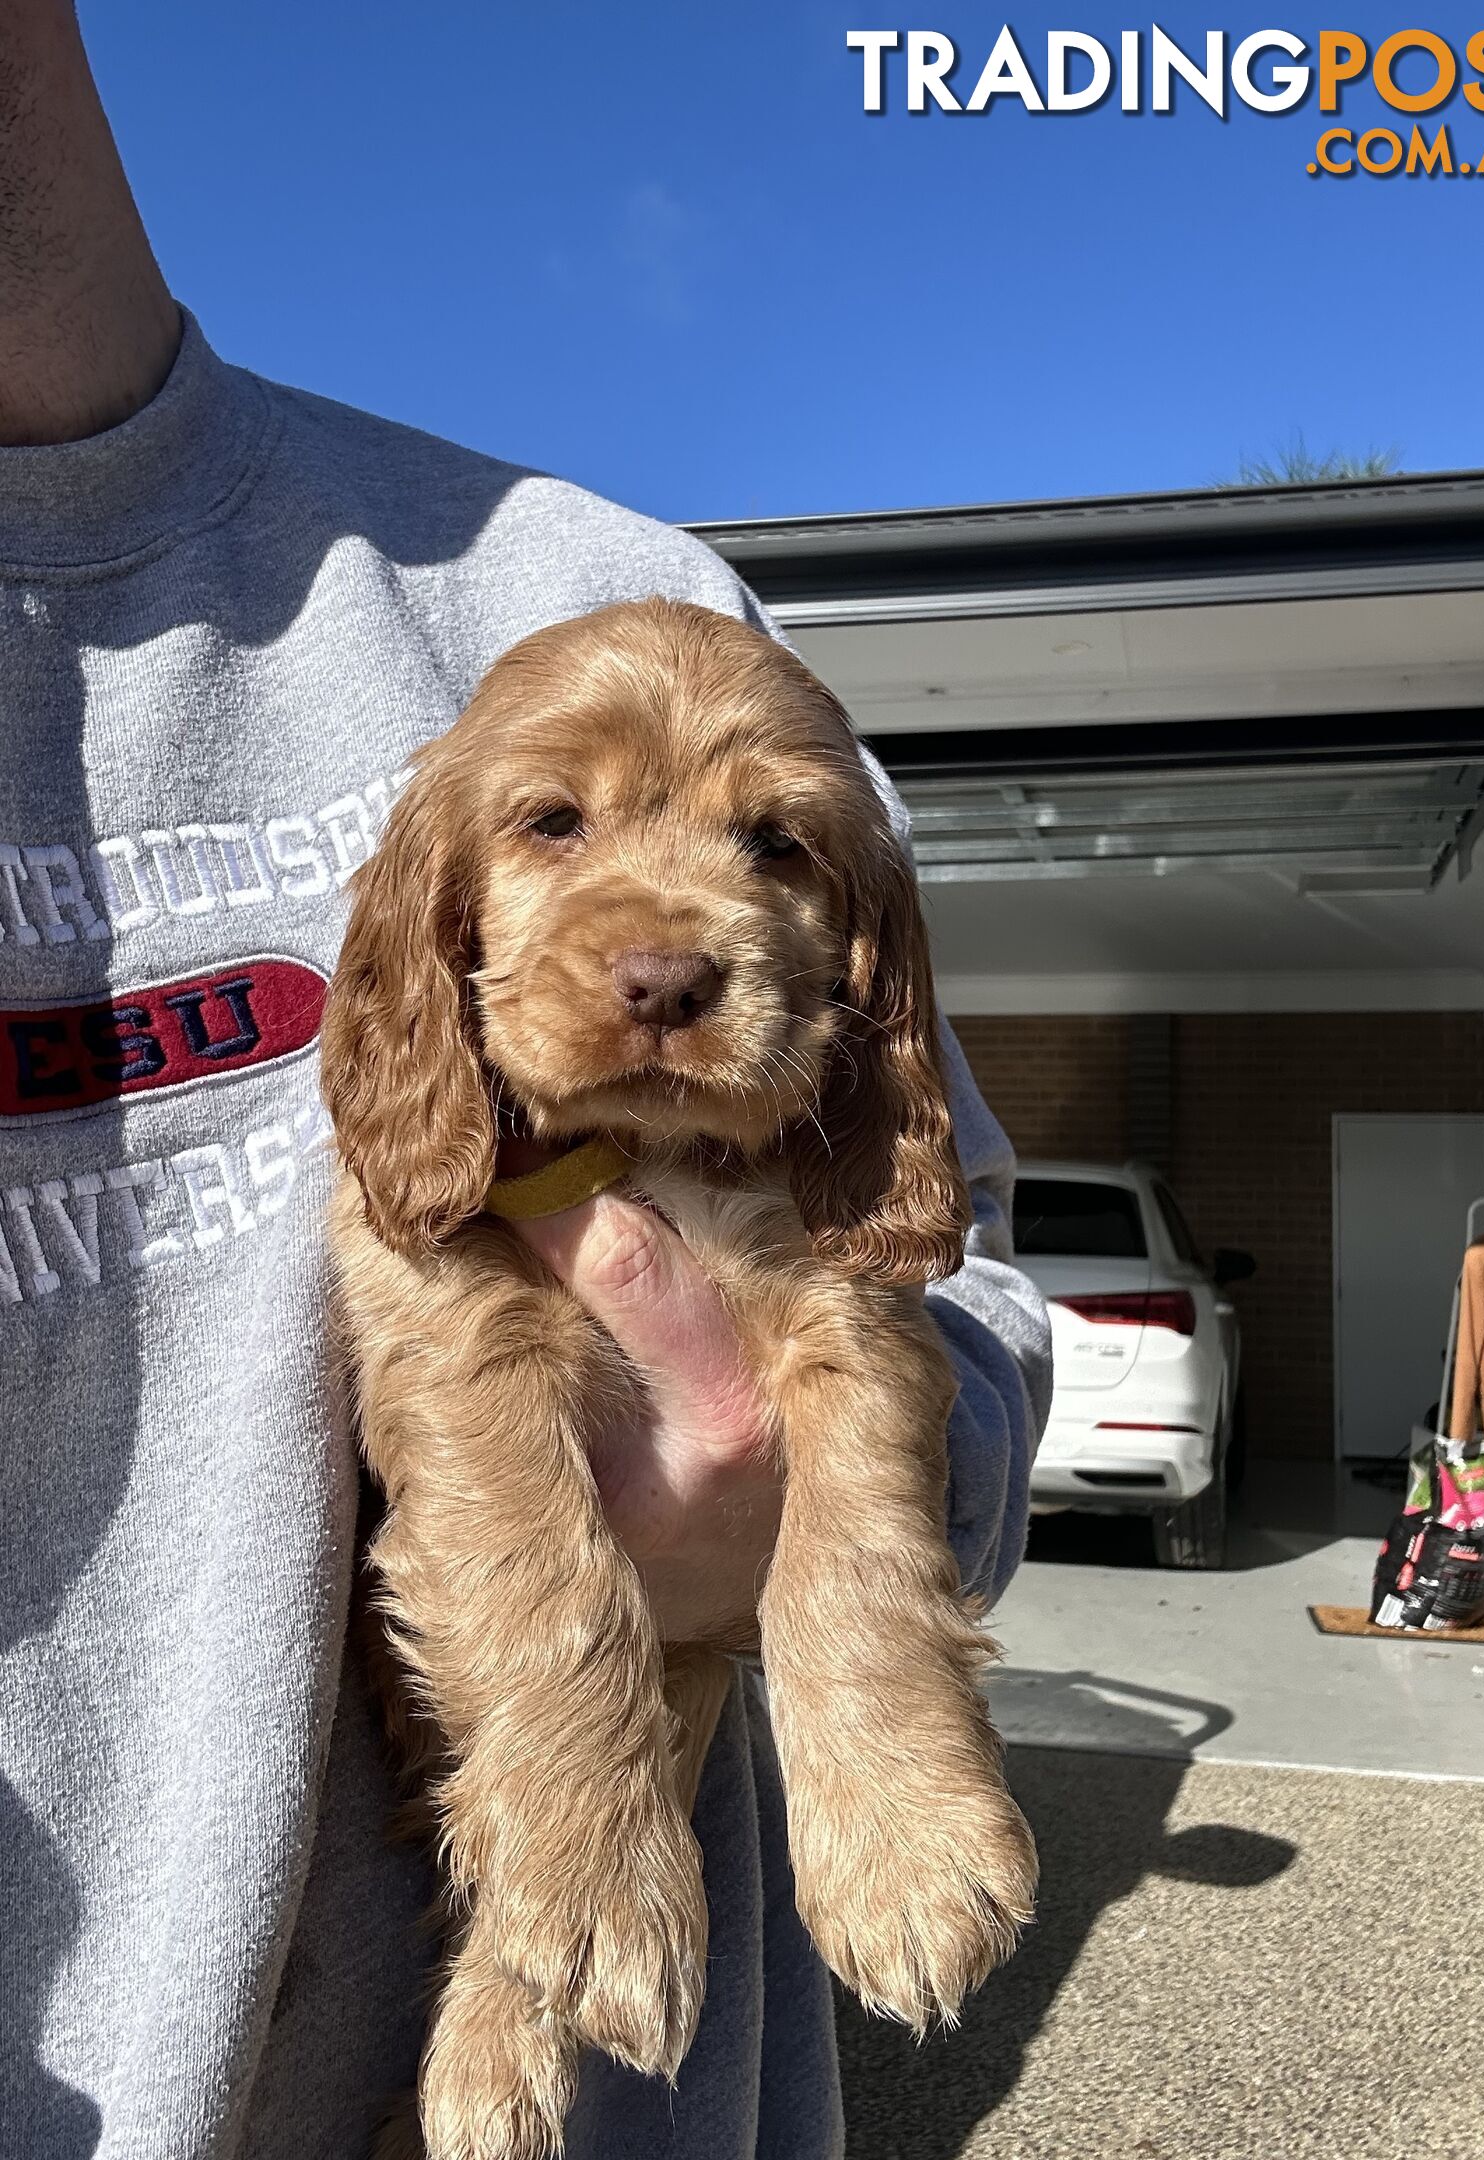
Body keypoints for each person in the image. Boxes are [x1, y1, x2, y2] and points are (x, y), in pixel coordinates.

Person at [0, 6, 1051, 2156]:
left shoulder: (588, 585)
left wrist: (803, 1545)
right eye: (559, 830)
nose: (673, 933)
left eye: (768, 847)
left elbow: (951, 1295)